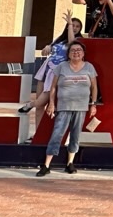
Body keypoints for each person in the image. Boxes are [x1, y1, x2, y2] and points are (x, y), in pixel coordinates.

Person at [36, 40, 98, 176]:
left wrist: (93, 104)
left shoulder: (89, 67)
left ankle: (70, 163)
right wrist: (51, 103)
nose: (76, 52)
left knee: (75, 135)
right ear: (68, 54)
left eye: (79, 50)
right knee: (57, 134)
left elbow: (94, 87)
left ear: (83, 54)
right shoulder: (62, 67)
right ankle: (46, 165)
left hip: (81, 107)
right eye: (73, 50)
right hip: (63, 106)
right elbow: (53, 87)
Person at [19, 10, 81, 118]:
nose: (75, 28)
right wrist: (47, 47)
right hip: (46, 70)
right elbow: (50, 48)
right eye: (73, 25)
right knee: (40, 107)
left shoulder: (78, 40)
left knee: (40, 101)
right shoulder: (60, 39)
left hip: (57, 74)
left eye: (77, 26)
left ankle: (29, 105)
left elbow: (72, 44)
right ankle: (38, 134)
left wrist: (70, 24)